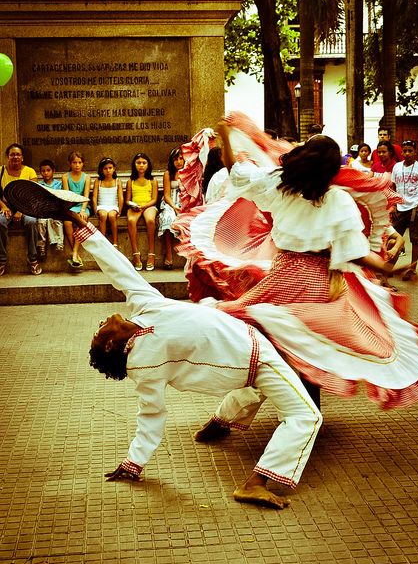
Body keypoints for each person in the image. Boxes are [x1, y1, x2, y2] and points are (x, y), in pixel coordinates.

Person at [53, 207, 322, 510]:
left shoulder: (144, 306)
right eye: (99, 330)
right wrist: (134, 461)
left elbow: (118, 268)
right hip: (254, 357)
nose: (102, 321)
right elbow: (151, 415)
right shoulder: (144, 367)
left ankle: (220, 422)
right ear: (110, 345)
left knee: (259, 387)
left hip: (245, 351)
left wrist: (84, 229)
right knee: (306, 416)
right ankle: (255, 483)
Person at [183, 118, 418, 410]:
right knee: (311, 346)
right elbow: (354, 252)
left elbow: (237, 172)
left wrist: (223, 132)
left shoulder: (279, 184)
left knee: (265, 336)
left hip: (284, 276)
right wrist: (388, 269)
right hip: (320, 282)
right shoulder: (338, 200)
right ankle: (297, 412)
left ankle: (255, 408)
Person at [0, 143, 41, 276]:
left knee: (31, 222)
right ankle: (1, 260)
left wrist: (21, 210)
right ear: (7, 156)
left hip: (26, 207)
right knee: (0, 222)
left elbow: (33, 195)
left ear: (22, 157)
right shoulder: (0, 171)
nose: (15, 157)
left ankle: (33, 259)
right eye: (12, 154)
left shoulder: (30, 172)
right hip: (6, 207)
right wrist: (3, 206)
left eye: (18, 154)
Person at [390, 140, 418, 282]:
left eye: (410, 150)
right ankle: (389, 267)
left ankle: (412, 269)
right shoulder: (397, 167)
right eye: (404, 151)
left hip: (416, 207)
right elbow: (393, 187)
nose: (407, 153)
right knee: (393, 238)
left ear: (415, 151)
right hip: (400, 207)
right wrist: (392, 205)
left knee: (415, 240)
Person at [126, 152, 158, 271]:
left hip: (148, 206)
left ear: (148, 165)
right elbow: (128, 200)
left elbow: (154, 199)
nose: (141, 165)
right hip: (135, 206)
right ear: (134, 164)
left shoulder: (152, 180)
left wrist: (144, 206)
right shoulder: (131, 181)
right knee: (131, 220)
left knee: (150, 220)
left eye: (144, 163)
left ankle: (151, 254)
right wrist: (133, 205)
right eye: (138, 163)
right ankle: (136, 254)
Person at [62, 151, 91, 269]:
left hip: (82, 206)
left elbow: (86, 196)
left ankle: (74, 252)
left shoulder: (87, 177)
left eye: (79, 162)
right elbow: (66, 196)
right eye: (74, 162)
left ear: (83, 163)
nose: (77, 165)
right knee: (67, 222)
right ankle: (76, 253)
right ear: (70, 163)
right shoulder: (65, 177)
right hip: (70, 205)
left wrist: (83, 210)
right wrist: (70, 210)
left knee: (80, 220)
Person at [158, 147, 184, 269]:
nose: (178, 162)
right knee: (168, 219)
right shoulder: (167, 174)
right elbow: (166, 195)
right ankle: (169, 256)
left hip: (184, 202)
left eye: (181, 158)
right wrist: (174, 207)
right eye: (176, 159)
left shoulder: (189, 172)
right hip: (170, 203)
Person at [92, 157, 124, 248]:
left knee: (111, 216)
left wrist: (120, 210)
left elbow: (121, 197)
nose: (108, 170)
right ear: (101, 170)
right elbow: (94, 197)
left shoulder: (117, 181)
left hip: (113, 206)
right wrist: (95, 210)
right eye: (105, 168)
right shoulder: (98, 181)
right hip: (101, 206)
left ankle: (115, 241)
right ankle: (103, 241)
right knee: (103, 215)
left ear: (114, 169)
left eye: (110, 168)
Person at [37, 159, 64, 258]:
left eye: (48, 170)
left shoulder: (59, 184)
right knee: (41, 222)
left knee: (57, 221)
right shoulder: (39, 185)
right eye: (43, 171)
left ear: (53, 171)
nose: (46, 173)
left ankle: (59, 243)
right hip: (44, 210)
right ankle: (41, 246)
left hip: (55, 210)